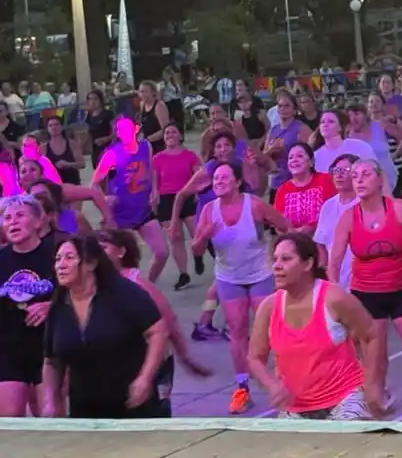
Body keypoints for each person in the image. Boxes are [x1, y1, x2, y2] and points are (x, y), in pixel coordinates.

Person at [326, 158, 402, 421]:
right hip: (366, 296)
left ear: (380, 179)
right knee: (374, 365)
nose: (358, 179)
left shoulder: (399, 208)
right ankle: (379, 419)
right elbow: (333, 264)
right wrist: (336, 295)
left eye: (365, 174)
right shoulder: (348, 218)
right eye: (354, 175)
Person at [248, 233, 385, 420]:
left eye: (286, 259)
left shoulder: (334, 298)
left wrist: (372, 385)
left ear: (308, 264)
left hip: (344, 399)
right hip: (295, 407)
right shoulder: (269, 307)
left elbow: (372, 335)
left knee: (344, 440)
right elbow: (255, 358)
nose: (277, 266)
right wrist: (272, 386)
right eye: (275, 259)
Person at [191, 160, 290, 414]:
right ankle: (242, 388)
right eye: (216, 179)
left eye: (225, 178)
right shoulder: (209, 211)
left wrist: (278, 255)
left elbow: (284, 227)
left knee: (269, 328)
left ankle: (285, 382)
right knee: (237, 331)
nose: (219, 182)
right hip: (229, 277)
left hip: (260, 274)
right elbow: (197, 250)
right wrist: (205, 236)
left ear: (237, 181)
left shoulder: (254, 205)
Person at [41, 234, 167, 418]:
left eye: (69, 258)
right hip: (85, 409)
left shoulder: (123, 293)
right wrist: (51, 401)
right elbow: (52, 361)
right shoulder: (59, 305)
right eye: (58, 259)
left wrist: (145, 378)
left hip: (133, 404)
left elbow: (158, 331)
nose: (61, 265)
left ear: (91, 264)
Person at [97, 227, 211, 415]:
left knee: (156, 414)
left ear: (121, 252)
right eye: (96, 248)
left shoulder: (138, 285)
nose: (99, 252)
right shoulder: (94, 286)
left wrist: (185, 357)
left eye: (104, 247)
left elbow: (169, 320)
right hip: (115, 365)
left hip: (151, 363)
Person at [91, 117, 169, 283]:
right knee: (126, 261)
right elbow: (94, 184)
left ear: (136, 128)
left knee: (162, 252)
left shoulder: (146, 146)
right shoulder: (112, 153)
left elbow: (151, 168)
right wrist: (105, 202)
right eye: (119, 129)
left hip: (143, 210)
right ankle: (123, 291)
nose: (123, 132)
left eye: (127, 128)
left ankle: (146, 286)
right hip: (120, 215)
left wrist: (155, 190)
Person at [0, 194, 55, 417]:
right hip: (9, 347)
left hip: (49, 347)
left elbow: (84, 293)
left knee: (49, 419)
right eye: (7, 217)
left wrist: (52, 306)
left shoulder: (57, 253)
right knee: (10, 419)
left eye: (20, 215)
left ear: (38, 221)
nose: (12, 221)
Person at [152, 122, 201, 290]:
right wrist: (154, 201)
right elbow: (154, 183)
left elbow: (199, 176)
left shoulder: (190, 156)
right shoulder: (157, 159)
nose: (170, 135)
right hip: (166, 199)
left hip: (187, 196)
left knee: (198, 233)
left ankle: (198, 256)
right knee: (175, 237)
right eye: (167, 133)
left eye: (173, 132)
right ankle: (183, 273)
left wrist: (197, 194)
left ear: (180, 136)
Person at [313, 153, 360, 289]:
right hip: (335, 279)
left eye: (345, 171)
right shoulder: (328, 206)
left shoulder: (364, 203)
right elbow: (321, 244)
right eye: (336, 171)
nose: (339, 175)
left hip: (361, 279)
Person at [272, 143, 335, 235]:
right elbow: (279, 224)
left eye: (300, 156)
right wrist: (293, 233)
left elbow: (335, 212)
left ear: (311, 162)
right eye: (290, 158)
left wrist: (312, 228)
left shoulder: (327, 180)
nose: (294, 160)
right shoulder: (283, 190)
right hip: (295, 241)